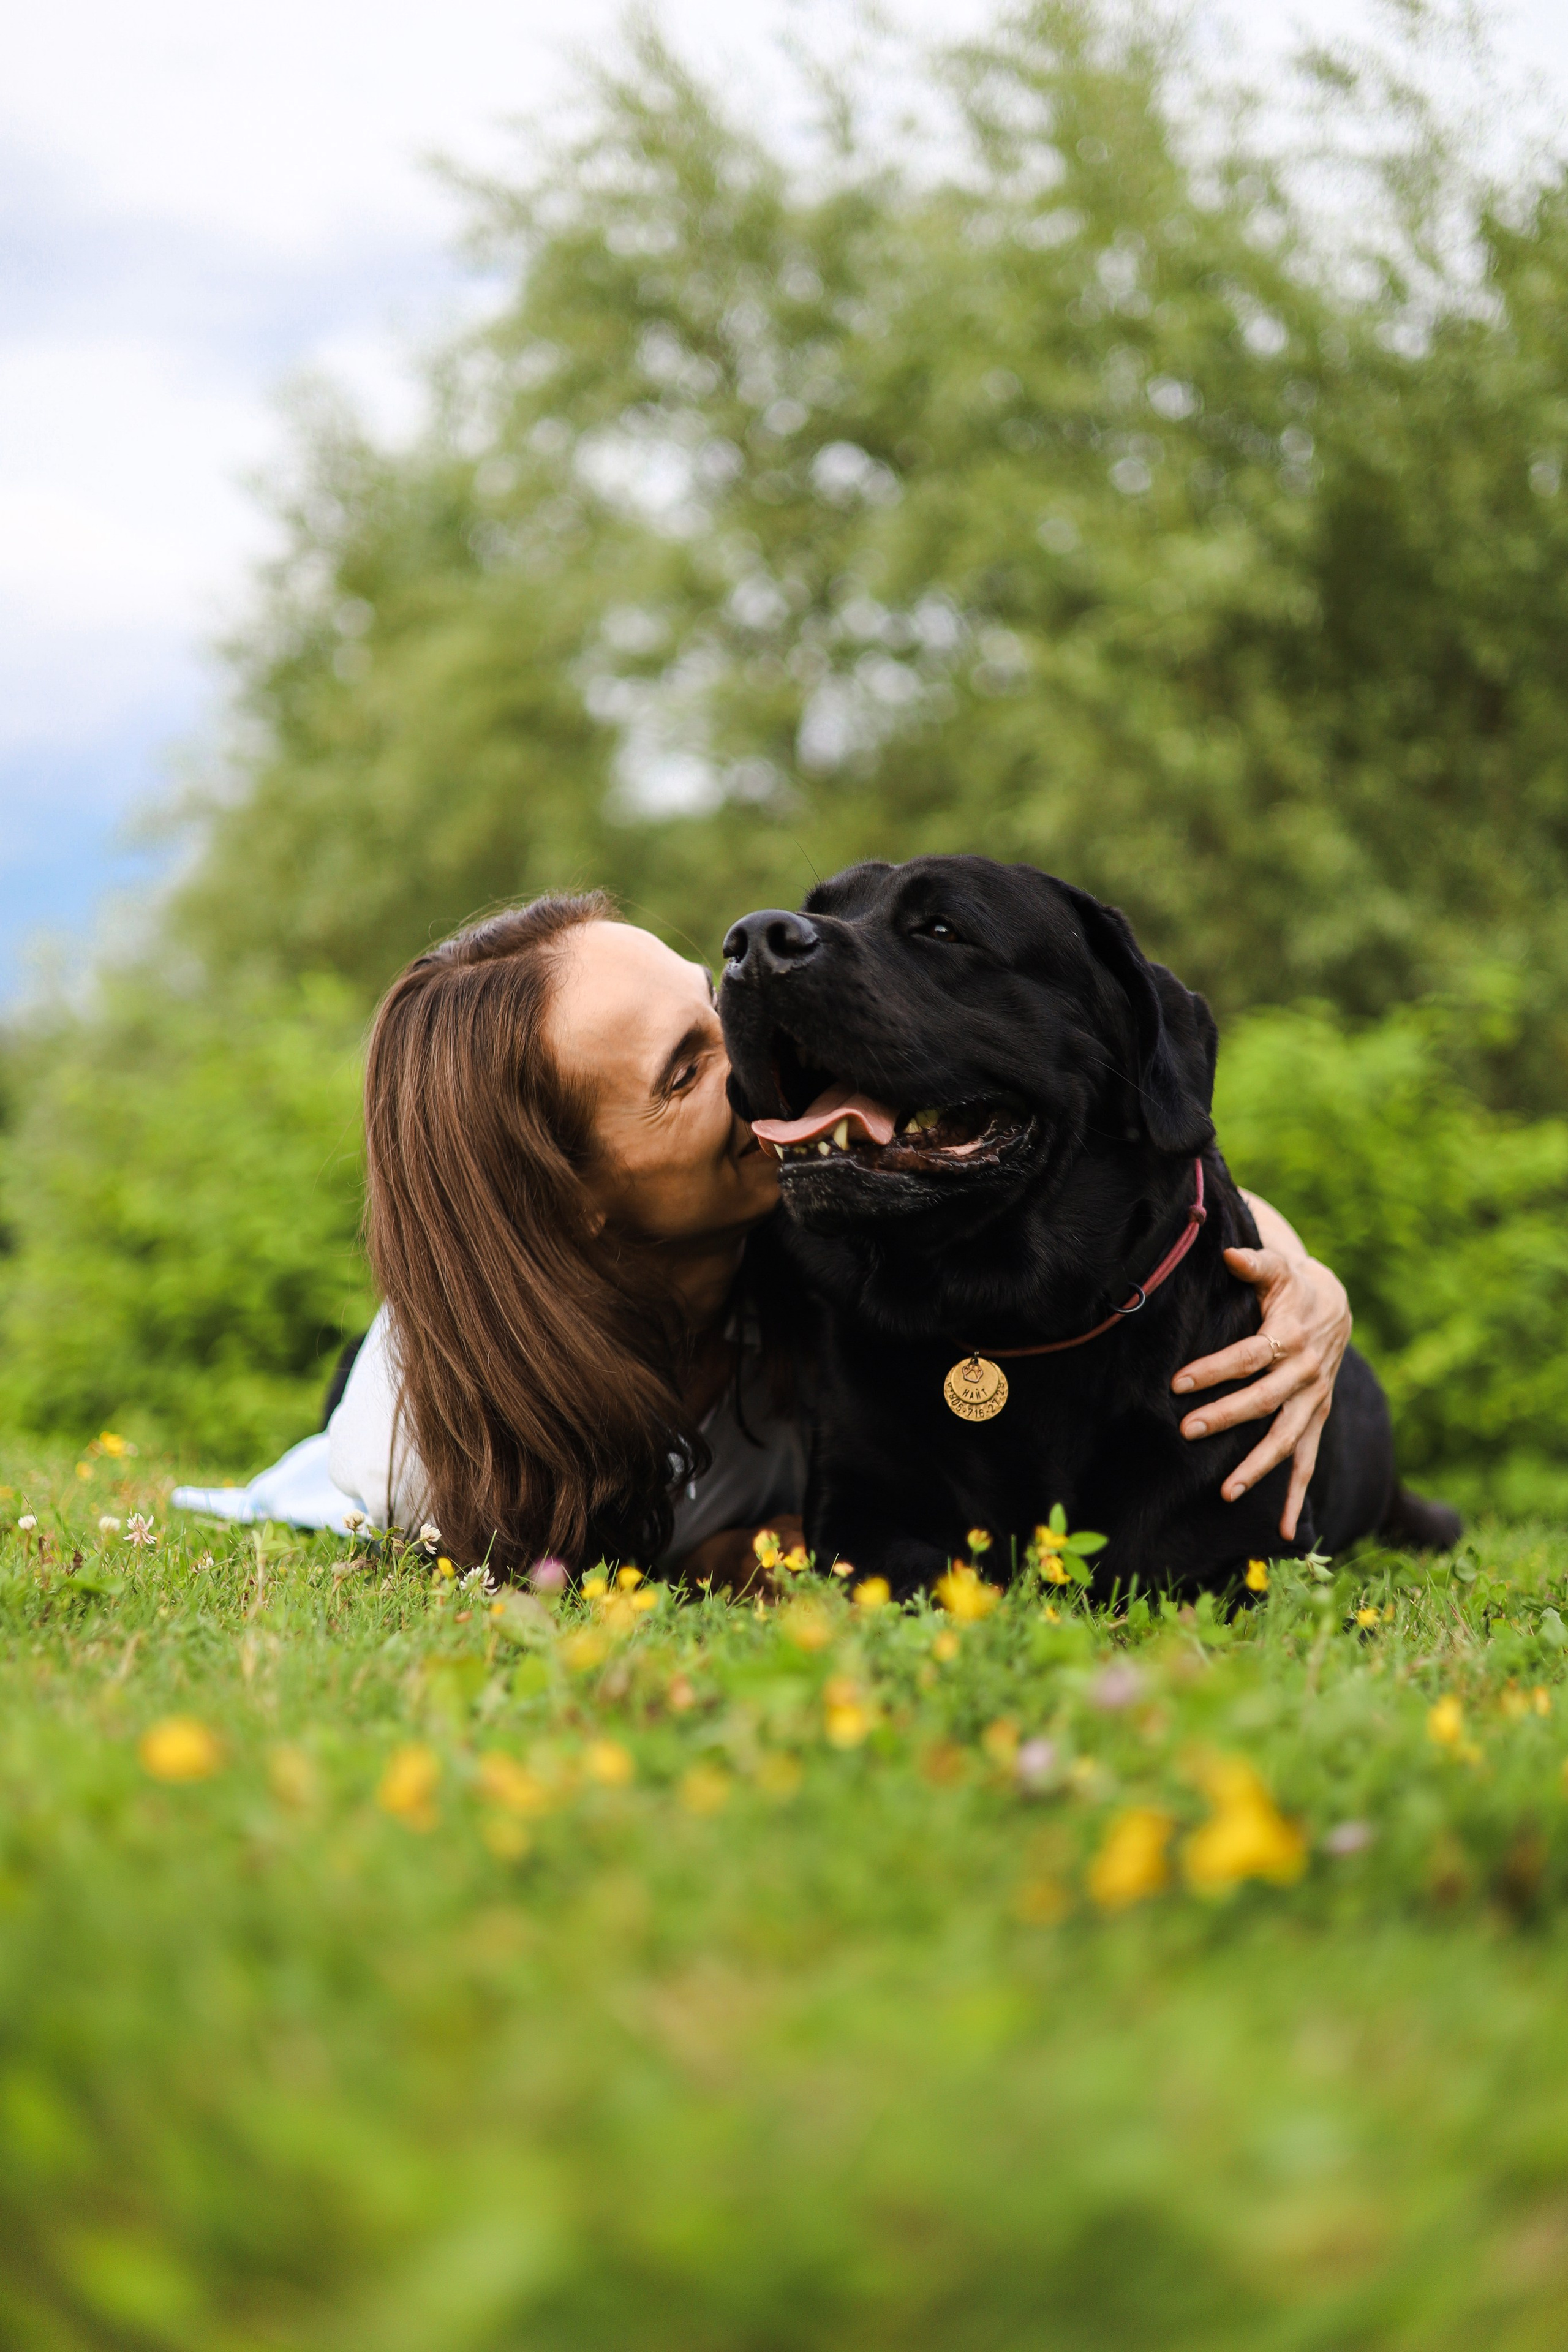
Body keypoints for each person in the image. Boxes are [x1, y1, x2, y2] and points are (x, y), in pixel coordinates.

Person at [179, 892, 1353, 1584]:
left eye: (713, 1002)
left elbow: (1126, 1174)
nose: (757, 1067)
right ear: (569, 1197)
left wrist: (1299, 1273)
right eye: (685, 1072)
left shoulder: (834, 1213)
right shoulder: (409, 1461)